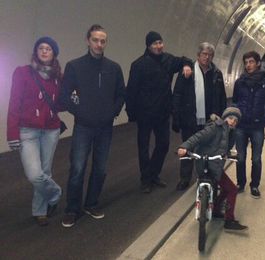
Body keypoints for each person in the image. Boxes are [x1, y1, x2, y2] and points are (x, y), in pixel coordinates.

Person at [60, 24, 125, 228]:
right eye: (95, 40)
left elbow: (121, 94)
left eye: (103, 41)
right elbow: (65, 95)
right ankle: (72, 209)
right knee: (78, 168)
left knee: (101, 168)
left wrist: (112, 112)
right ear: (88, 40)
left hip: (105, 127)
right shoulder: (74, 66)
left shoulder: (113, 68)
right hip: (83, 127)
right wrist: (79, 112)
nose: (99, 44)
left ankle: (91, 203)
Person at [126, 31, 192, 193]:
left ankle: (153, 174)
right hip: (145, 113)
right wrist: (131, 113)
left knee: (163, 145)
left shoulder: (168, 60)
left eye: (160, 42)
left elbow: (185, 59)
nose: (158, 46)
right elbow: (131, 91)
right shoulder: (138, 65)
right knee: (144, 147)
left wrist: (186, 65)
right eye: (155, 43)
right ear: (148, 46)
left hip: (163, 112)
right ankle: (145, 179)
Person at [7, 36, 63, 226]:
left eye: (48, 48)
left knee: (45, 171)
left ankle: (40, 211)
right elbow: (14, 103)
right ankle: (55, 195)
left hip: (50, 130)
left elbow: (64, 99)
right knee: (35, 174)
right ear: (36, 52)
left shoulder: (58, 77)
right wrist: (12, 133)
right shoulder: (23, 73)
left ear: (54, 54)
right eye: (41, 48)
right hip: (27, 131)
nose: (44, 51)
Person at [177, 107, 248, 231]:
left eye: (235, 121)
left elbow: (225, 149)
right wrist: (184, 147)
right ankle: (229, 220)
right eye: (230, 118)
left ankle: (215, 209)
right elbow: (198, 137)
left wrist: (230, 154)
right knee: (232, 189)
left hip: (212, 163)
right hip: (209, 163)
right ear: (224, 117)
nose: (232, 122)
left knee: (226, 188)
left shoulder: (230, 132)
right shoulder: (214, 127)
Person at [172, 42, 227, 191]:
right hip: (190, 118)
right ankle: (184, 178)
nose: (207, 57)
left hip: (211, 120)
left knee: (207, 151)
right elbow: (177, 94)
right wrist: (176, 116)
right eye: (204, 54)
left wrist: (221, 116)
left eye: (210, 55)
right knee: (188, 149)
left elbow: (222, 97)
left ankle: (204, 179)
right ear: (198, 55)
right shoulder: (187, 72)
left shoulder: (217, 74)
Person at [232, 51, 265, 198]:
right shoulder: (240, 82)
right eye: (246, 62)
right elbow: (235, 101)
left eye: (251, 62)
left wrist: (264, 121)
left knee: (256, 159)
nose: (248, 65)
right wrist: (236, 117)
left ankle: (255, 185)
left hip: (257, 127)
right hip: (241, 126)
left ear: (258, 63)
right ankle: (240, 183)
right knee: (240, 157)